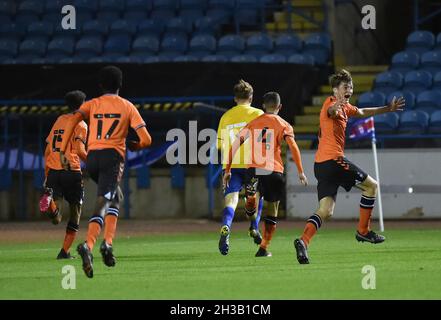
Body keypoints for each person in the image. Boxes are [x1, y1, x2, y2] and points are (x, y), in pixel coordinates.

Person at [294, 69, 405, 264]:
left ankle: (303, 241)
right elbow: (331, 111)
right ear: (335, 90)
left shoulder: (346, 107)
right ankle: (363, 231)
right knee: (372, 186)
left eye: (351, 86)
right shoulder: (331, 104)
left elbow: (362, 112)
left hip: (321, 165)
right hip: (333, 160)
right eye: (346, 87)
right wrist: (337, 103)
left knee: (326, 210)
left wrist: (387, 108)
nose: (350, 89)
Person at [59, 66, 152, 278]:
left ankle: (108, 244)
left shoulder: (92, 104)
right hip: (112, 158)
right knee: (104, 200)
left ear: (101, 85)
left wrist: (65, 149)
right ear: (121, 85)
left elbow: (73, 119)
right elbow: (146, 139)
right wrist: (135, 146)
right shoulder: (127, 106)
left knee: (115, 197)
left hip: (92, 160)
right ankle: (89, 246)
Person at [223, 92, 308, 257]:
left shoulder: (253, 123)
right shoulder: (284, 124)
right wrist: (300, 171)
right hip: (273, 170)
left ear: (263, 106)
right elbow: (293, 146)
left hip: (253, 169)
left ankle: (251, 202)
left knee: (252, 200)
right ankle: (263, 248)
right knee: (272, 210)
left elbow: (234, 145)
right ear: (279, 107)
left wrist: (228, 170)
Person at [217, 79, 265, 255]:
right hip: (253, 163)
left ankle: (226, 226)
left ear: (235, 98)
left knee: (231, 199)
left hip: (231, 165)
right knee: (257, 196)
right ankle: (254, 227)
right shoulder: (259, 114)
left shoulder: (226, 117)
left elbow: (220, 146)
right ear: (251, 97)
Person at [40, 90, 88, 259]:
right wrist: (94, 162)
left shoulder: (59, 120)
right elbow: (81, 151)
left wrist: (47, 174)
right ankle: (64, 251)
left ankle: (50, 202)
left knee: (56, 218)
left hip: (54, 170)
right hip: (71, 170)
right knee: (76, 211)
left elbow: (47, 150)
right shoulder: (81, 124)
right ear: (82, 105)